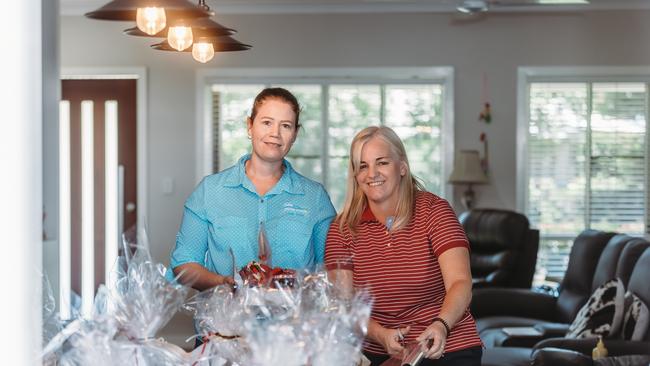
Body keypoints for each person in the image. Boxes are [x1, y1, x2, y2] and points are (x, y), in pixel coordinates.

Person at [325, 126, 482, 366]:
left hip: (445, 344)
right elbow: (344, 304)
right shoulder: (342, 229)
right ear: (355, 175)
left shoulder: (434, 211)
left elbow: (460, 283)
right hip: (377, 351)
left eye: (382, 163)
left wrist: (441, 325)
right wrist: (380, 334)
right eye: (363, 166)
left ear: (402, 166)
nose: (372, 173)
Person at [169, 87, 336, 290]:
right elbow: (184, 263)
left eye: (285, 125)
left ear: (295, 134)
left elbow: (330, 270)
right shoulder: (210, 191)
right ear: (250, 126)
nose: (275, 133)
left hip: (294, 320)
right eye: (266, 122)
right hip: (223, 319)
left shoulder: (315, 197)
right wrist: (221, 283)